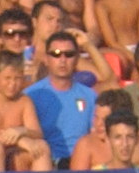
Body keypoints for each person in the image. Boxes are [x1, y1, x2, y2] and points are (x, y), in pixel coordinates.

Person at [25, 30, 95, 165]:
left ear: (77, 59)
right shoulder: (30, 95)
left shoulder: (90, 95)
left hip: (81, 163)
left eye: (69, 54)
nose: (63, 60)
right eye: (56, 54)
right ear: (46, 59)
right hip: (46, 162)